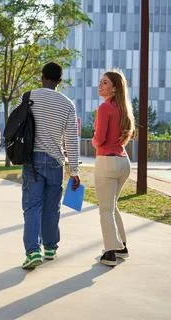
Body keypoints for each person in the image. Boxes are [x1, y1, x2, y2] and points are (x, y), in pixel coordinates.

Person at [20, 62, 80, 270]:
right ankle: (51, 248)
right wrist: (74, 170)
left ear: (42, 76)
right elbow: (72, 139)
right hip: (55, 162)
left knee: (32, 206)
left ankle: (32, 251)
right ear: (60, 81)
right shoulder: (67, 104)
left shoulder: (29, 97)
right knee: (52, 207)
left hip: (32, 160)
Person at [92, 70, 134, 267]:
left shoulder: (104, 108)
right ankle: (121, 246)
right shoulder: (124, 109)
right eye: (100, 82)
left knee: (105, 209)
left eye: (105, 82)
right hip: (123, 161)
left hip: (107, 161)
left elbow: (99, 139)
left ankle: (109, 253)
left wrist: (93, 140)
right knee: (112, 205)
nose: (100, 85)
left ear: (115, 88)